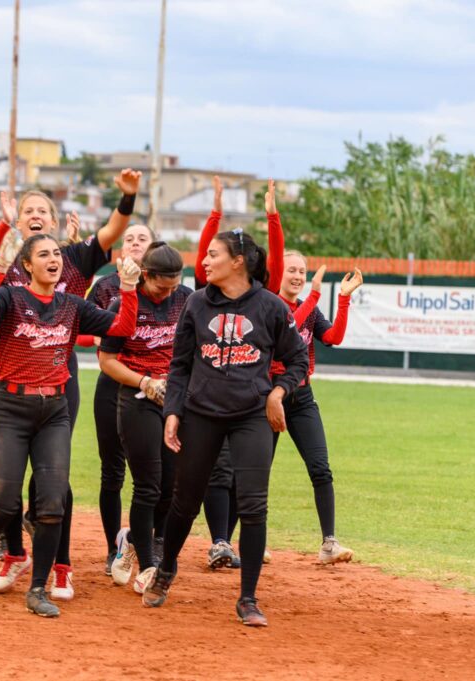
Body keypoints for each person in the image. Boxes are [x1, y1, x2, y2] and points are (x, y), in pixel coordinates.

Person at [0, 170, 141, 601]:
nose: (52, 258)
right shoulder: (8, 284)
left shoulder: (72, 292)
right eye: (27, 211)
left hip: (56, 399)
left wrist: (128, 285)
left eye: (41, 211)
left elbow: (121, 326)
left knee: (51, 501)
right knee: (5, 502)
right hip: (12, 401)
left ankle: (42, 586)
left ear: (54, 221)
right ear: (25, 262)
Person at [143, 228, 309, 628]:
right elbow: (179, 365)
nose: (204, 260)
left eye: (213, 254)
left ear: (238, 261)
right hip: (202, 413)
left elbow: (298, 360)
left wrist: (277, 393)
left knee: (254, 506)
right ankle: (166, 568)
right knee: (186, 500)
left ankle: (248, 597)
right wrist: (172, 411)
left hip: (252, 414)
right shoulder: (197, 304)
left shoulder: (270, 307)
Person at [197, 177, 285, 570]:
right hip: (215, 395)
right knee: (218, 470)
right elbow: (205, 255)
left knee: (248, 478)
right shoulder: (208, 296)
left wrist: (273, 218)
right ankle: (218, 541)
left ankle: (229, 540)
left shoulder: (268, 300)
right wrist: (215, 212)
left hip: (262, 396)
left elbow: (276, 263)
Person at [98, 243, 191, 594]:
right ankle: (149, 565)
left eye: (173, 286)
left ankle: (133, 543)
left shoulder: (185, 299)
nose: (168, 293)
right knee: (149, 485)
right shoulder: (124, 303)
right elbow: (107, 360)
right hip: (137, 398)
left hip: (174, 399)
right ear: (146, 276)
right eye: (160, 286)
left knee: (171, 486)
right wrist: (144, 381)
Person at [273, 253, 364, 563]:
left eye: (302, 271)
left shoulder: (309, 309)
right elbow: (288, 327)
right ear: (278, 273)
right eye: (292, 270)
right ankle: (231, 542)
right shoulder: (270, 305)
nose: (298, 276)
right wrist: (313, 293)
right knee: (254, 472)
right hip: (270, 398)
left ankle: (329, 543)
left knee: (321, 468)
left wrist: (343, 298)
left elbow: (333, 337)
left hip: (302, 399)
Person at [90, 223, 157, 574]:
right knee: (112, 470)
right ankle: (111, 546)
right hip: (113, 383)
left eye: (141, 238)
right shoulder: (105, 287)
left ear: (153, 246)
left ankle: (145, 542)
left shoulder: (170, 293)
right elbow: (86, 331)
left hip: (153, 388)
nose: (133, 243)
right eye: (128, 238)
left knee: (152, 473)